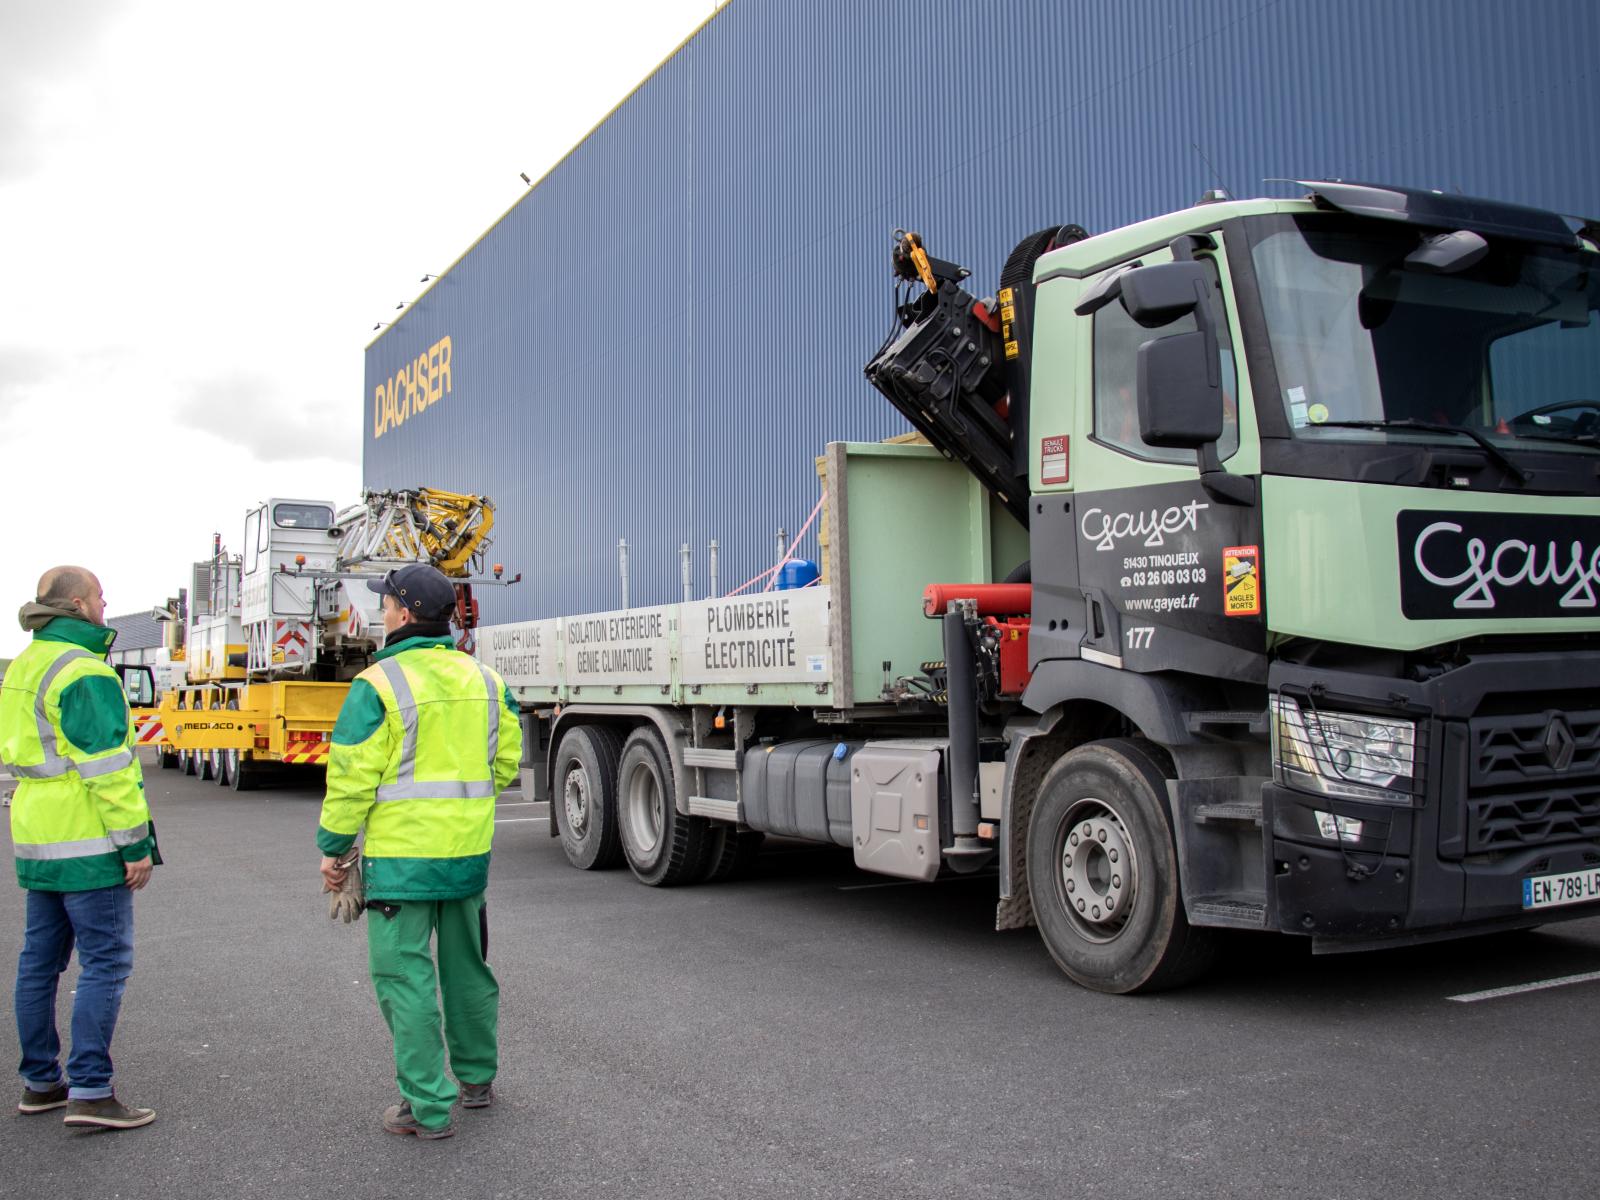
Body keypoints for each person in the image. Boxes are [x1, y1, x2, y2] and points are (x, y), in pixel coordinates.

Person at [316, 563, 521, 1140]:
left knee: (406, 980)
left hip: (401, 866)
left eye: (385, 605)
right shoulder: (486, 681)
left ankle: (428, 1107)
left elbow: (351, 779)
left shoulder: (377, 686)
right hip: (466, 859)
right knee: (468, 972)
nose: (381, 612)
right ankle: (477, 1082)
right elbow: (505, 764)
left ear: (404, 615)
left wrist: (334, 850)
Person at [0, 566, 158, 1130]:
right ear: (76, 604)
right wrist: (134, 845)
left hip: (38, 835)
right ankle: (91, 1090)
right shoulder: (84, 672)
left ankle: (41, 1083)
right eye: (98, 596)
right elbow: (109, 770)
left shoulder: (25, 666)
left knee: (39, 962)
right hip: (88, 839)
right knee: (106, 962)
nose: (105, 603)